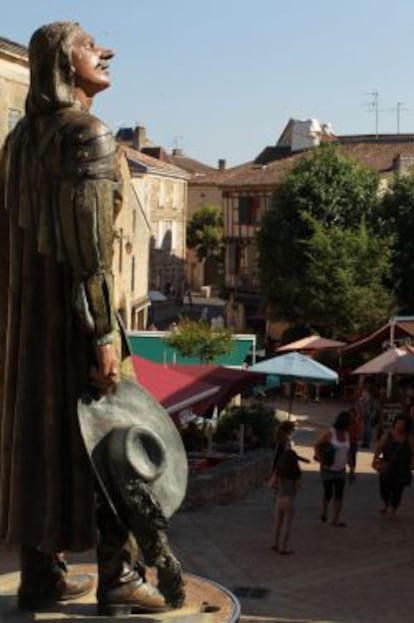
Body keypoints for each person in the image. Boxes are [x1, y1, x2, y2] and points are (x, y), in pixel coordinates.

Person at [0, 22, 165, 614]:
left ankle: (41, 575)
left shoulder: (18, 143)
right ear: (66, 64)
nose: (107, 51)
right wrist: (102, 336)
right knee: (116, 440)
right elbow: (90, 252)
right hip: (77, 324)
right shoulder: (87, 136)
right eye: (92, 46)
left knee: (40, 442)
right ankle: (120, 576)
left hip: (30, 330)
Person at [314, 411, 354, 527]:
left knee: (339, 495)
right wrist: (321, 460)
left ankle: (335, 519)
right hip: (328, 469)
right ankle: (324, 509)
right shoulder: (329, 432)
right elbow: (316, 445)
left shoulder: (347, 434)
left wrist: (351, 468)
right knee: (328, 492)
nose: (351, 425)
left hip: (341, 469)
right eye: (350, 422)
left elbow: (348, 452)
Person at [372, 413, 414, 519]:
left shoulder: (409, 438)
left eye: (402, 424)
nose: (400, 425)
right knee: (384, 489)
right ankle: (386, 503)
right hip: (388, 467)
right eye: (398, 423)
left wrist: (411, 464)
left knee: (398, 490)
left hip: (402, 469)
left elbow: (413, 452)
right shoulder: (388, 435)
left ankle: (393, 510)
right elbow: (379, 447)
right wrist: (375, 459)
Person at [271, 449, 302, 555]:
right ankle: (284, 547)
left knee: (278, 523)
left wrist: (277, 487)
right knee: (287, 524)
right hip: (290, 499)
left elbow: (271, 483)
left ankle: (275, 543)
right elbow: (298, 486)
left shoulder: (279, 470)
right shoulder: (296, 471)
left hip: (279, 498)